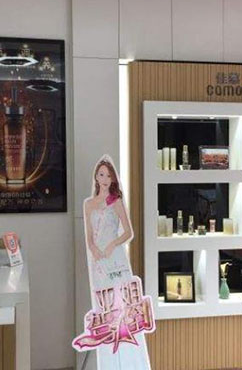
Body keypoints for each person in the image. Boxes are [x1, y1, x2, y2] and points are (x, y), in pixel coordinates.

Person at [83, 156, 151, 370]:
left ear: (113, 178)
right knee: (105, 310)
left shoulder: (116, 201)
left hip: (117, 260)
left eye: (108, 175)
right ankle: (110, 363)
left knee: (124, 308)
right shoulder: (88, 204)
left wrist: (112, 244)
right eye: (101, 174)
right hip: (99, 262)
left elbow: (129, 232)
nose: (104, 178)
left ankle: (131, 362)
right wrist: (94, 251)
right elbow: (89, 237)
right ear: (96, 177)